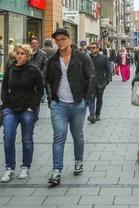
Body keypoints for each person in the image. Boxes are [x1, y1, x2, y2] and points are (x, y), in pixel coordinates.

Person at [45, 28, 95, 186]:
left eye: (63, 38)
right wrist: (51, 99)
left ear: (69, 39)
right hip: (59, 104)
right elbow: (47, 80)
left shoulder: (81, 57)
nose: (60, 41)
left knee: (77, 135)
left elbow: (91, 77)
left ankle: (78, 161)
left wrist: (86, 100)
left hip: (77, 104)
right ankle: (56, 170)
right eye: (57, 39)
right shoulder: (52, 60)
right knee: (59, 136)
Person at [0, 44, 43, 183]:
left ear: (28, 55)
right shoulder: (10, 69)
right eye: (18, 53)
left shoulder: (33, 70)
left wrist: (33, 106)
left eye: (22, 54)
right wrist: (5, 104)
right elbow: (4, 87)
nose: (19, 56)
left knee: (27, 139)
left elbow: (40, 90)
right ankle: (9, 168)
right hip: (11, 108)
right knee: (8, 137)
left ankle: (25, 166)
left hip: (27, 109)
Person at [87, 42, 110, 123]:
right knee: (91, 98)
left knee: (99, 99)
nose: (91, 49)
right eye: (90, 48)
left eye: (93, 48)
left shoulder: (103, 58)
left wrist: (107, 80)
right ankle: (92, 114)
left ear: (97, 49)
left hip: (100, 81)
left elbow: (108, 70)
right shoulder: (87, 58)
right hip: (90, 83)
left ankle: (98, 114)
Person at [40, 39, 55, 103]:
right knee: (49, 84)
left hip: (43, 69)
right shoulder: (53, 51)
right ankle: (49, 96)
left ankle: (42, 97)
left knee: (43, 83)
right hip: (50, 69)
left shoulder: (41, 50)